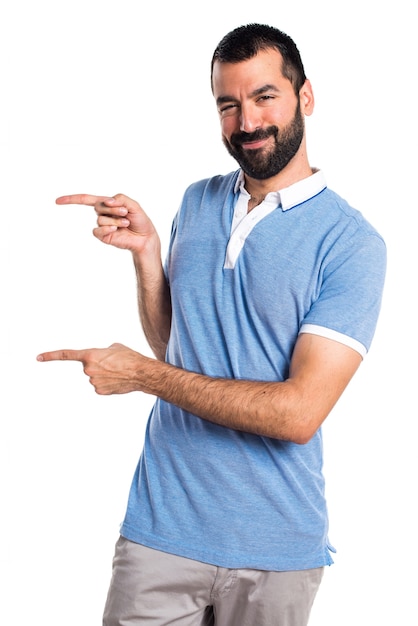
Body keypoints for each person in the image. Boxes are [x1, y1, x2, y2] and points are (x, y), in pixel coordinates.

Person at [37, 23, 386, 626]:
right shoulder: (197, 202)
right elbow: (178, 347)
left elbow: (298, 414)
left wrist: (144, 377)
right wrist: (148, 256)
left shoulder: (352, 243)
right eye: (229, 104)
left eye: (264, 97)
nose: (247, 121)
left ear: (305, 97)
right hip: (161, 528)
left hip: (276, 549)